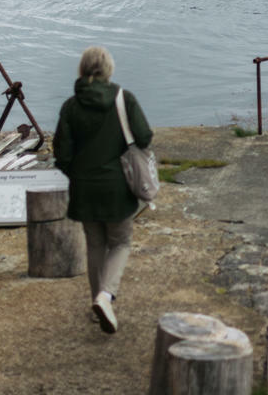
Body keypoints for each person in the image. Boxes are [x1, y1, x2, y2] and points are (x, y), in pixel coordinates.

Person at [53, 45, 152, 334]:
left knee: (95, 245)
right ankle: (105, 296)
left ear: (81, 70)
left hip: (84, 189)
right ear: (109, 69)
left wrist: (77, 174)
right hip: (117, 188)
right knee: (120, 242)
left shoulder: (70, 107)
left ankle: (97, 308)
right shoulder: (124, 100)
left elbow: (61, 153)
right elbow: (144, 138)